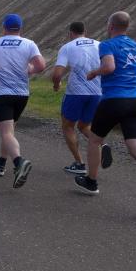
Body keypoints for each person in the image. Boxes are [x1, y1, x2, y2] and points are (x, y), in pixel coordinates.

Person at [74, 11, 136, 217]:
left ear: (111, 26)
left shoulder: (107, 44)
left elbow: (109, 66)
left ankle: (91, 181)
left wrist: (94, 72)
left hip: (113, 100)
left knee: (95, 140)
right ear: (127, 26)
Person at [0, 13, 46, 188]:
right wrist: (30, 69)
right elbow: (41, 65)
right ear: (20, 28)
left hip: (2, 94)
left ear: (4, 28)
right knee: (9, 130)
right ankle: (2, 163)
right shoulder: (29, 43)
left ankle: (19, 162)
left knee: (6, 132)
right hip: (22, 94)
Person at [51, 21, 103, 174]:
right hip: (97, 92)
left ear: (70, 33)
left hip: (76, 93)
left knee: (68, 126)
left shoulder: (68, 47)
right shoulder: (100, 45)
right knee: (84, 126)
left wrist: (56, 85)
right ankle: (103, 145)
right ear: (85, 31)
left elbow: (57, 74)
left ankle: (79, 163)